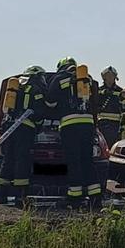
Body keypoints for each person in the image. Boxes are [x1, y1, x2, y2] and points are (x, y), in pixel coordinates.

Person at [51, 57, 101, 209]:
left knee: (74, 162)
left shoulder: (59, 78)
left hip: (69, 126)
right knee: (87, 161)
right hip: (88, 125)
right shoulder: (88, 79)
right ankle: (95, 198)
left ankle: (75, 198)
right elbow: (95, 102)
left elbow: (50, 102)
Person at [0, 68, 35, 207]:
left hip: (9, 128)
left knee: (8, 159)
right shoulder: (35, 89)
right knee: (21, 160)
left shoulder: (15, 89)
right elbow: (42, 110)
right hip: (24, 129)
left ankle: (1, 195)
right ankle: (20, 197)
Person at [90, 66, 125, 146]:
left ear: (115, 77)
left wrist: (122, 129)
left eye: (112, 76)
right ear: (104, 78)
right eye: (108, 75)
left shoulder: (121, 91)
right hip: (100, 124)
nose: (110, 78)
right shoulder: (98, 90)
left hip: (115, 126)